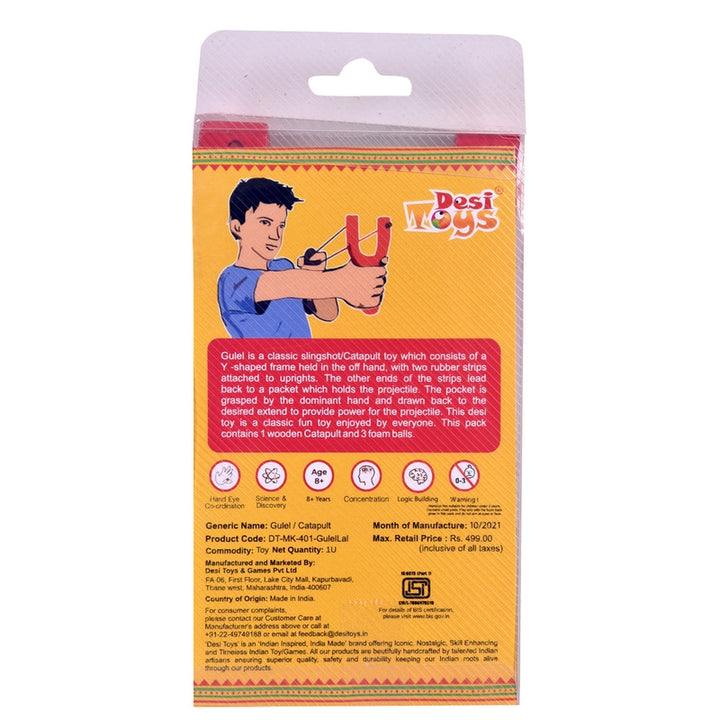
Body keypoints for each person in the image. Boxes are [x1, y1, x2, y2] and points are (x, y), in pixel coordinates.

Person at [217, 177, 387, 338]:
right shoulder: (232, 280)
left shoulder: (284, 266)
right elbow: (285, 283)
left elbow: (328, 314)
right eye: (265, 223)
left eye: (281, 225)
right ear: (237, 227)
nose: (275, 235)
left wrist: (316, 273)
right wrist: (345, 282)